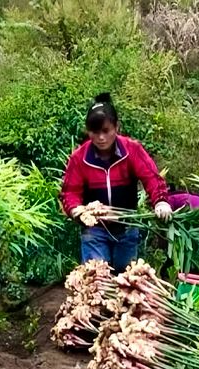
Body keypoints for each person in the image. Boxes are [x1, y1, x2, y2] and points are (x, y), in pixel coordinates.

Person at [60, 93, 173, 273]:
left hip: (127, 226)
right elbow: (70, 192)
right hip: (94, 229)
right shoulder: (79, 158)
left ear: (117, 127)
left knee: (127, 279)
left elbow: (152, 178)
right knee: (96, 278)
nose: (101, 138)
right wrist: (76, 210)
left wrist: (160, 201)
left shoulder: (132, 150)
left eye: (106, 131)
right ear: (88, 131)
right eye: (95, 132)